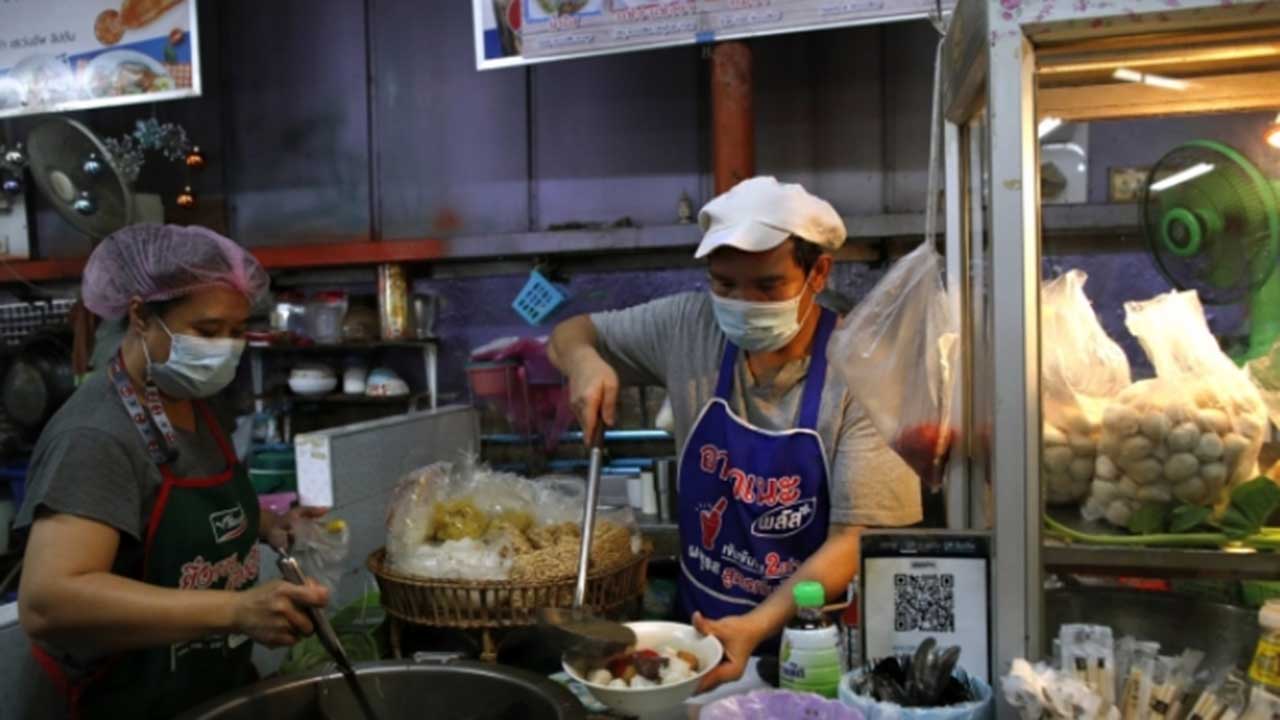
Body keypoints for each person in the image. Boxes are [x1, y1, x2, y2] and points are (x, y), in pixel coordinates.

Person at [549, 177, 923, 691]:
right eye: (725, 285)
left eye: (767, 286)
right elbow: (571, 332)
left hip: (811, 655)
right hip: (694, 643)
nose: (743, 303)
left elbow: (857, 537)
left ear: (819, 272)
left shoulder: (865, 369)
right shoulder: (689, 325)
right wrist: (584, 362)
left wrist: (755, 626)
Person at [15, 225, 329, 719]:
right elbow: (48, 602)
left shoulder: (193, 401)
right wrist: (236, 612)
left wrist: (274, 526)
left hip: (206, 694)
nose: (226, 349)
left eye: (237, 331)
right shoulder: (96, 437)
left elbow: (198, 507)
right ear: (140, 315)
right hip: (124, 705)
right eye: (206, 331)